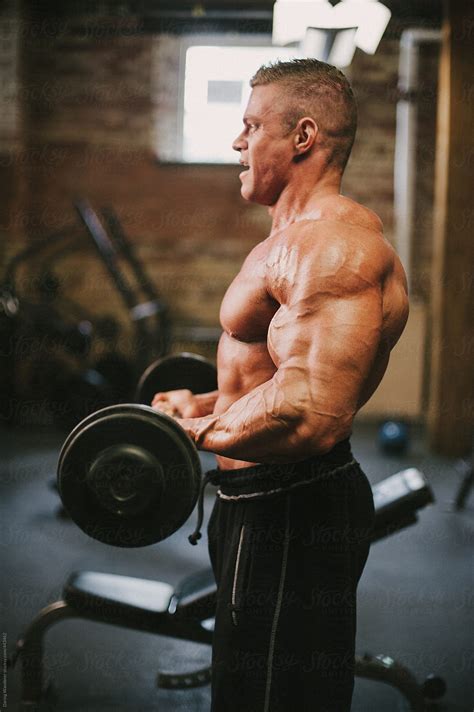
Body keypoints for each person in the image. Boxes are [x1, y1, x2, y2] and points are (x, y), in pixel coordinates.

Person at [152, 58, 409, 712]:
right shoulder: (285, 240)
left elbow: (308, 412)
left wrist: (185, 434)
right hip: (253, 499)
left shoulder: (334, 247)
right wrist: (205, 402)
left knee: (273, 697)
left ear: (302, 136)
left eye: (250, 125)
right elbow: (278, 374)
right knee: (247, 685)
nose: (237, 142)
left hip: (292, 508)